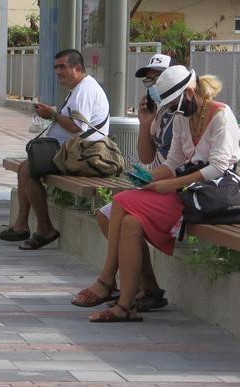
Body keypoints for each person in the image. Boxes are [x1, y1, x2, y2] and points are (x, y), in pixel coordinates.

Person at [74, 67, 240, 322]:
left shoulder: (221, 115)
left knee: (121, 201)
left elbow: (218, 166)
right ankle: (126, 305)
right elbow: (173, 161)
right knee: (130, 223)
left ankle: (106, 279)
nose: (173, 111)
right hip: (188, 191)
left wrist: (170, 185)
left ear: (190, 92)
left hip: (211, 195)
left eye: (174, 104)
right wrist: (149, 179)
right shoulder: (182, 115)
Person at [83, 53, 175, 312]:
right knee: (106, 217)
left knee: (128, 221)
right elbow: (147, 156)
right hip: (154, 185)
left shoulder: (183, 111)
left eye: (158, 79)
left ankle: (113, 281)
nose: (154, 86)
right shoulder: (158, 113)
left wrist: (154, 181)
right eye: (149, 81)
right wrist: (145, 124)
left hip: (173, 188)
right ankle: (148, 288)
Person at [0, 49, 109, 249]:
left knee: (29, 170)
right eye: (56, 67)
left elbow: (77, 127)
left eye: (62, 67)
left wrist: (53, 115)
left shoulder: (85, 90)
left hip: (84, 154)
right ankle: (22, 225)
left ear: (78, 68)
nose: (58, 71)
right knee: (26, 166)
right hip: (72, 151)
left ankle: (44, 229)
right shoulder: (79, 89)